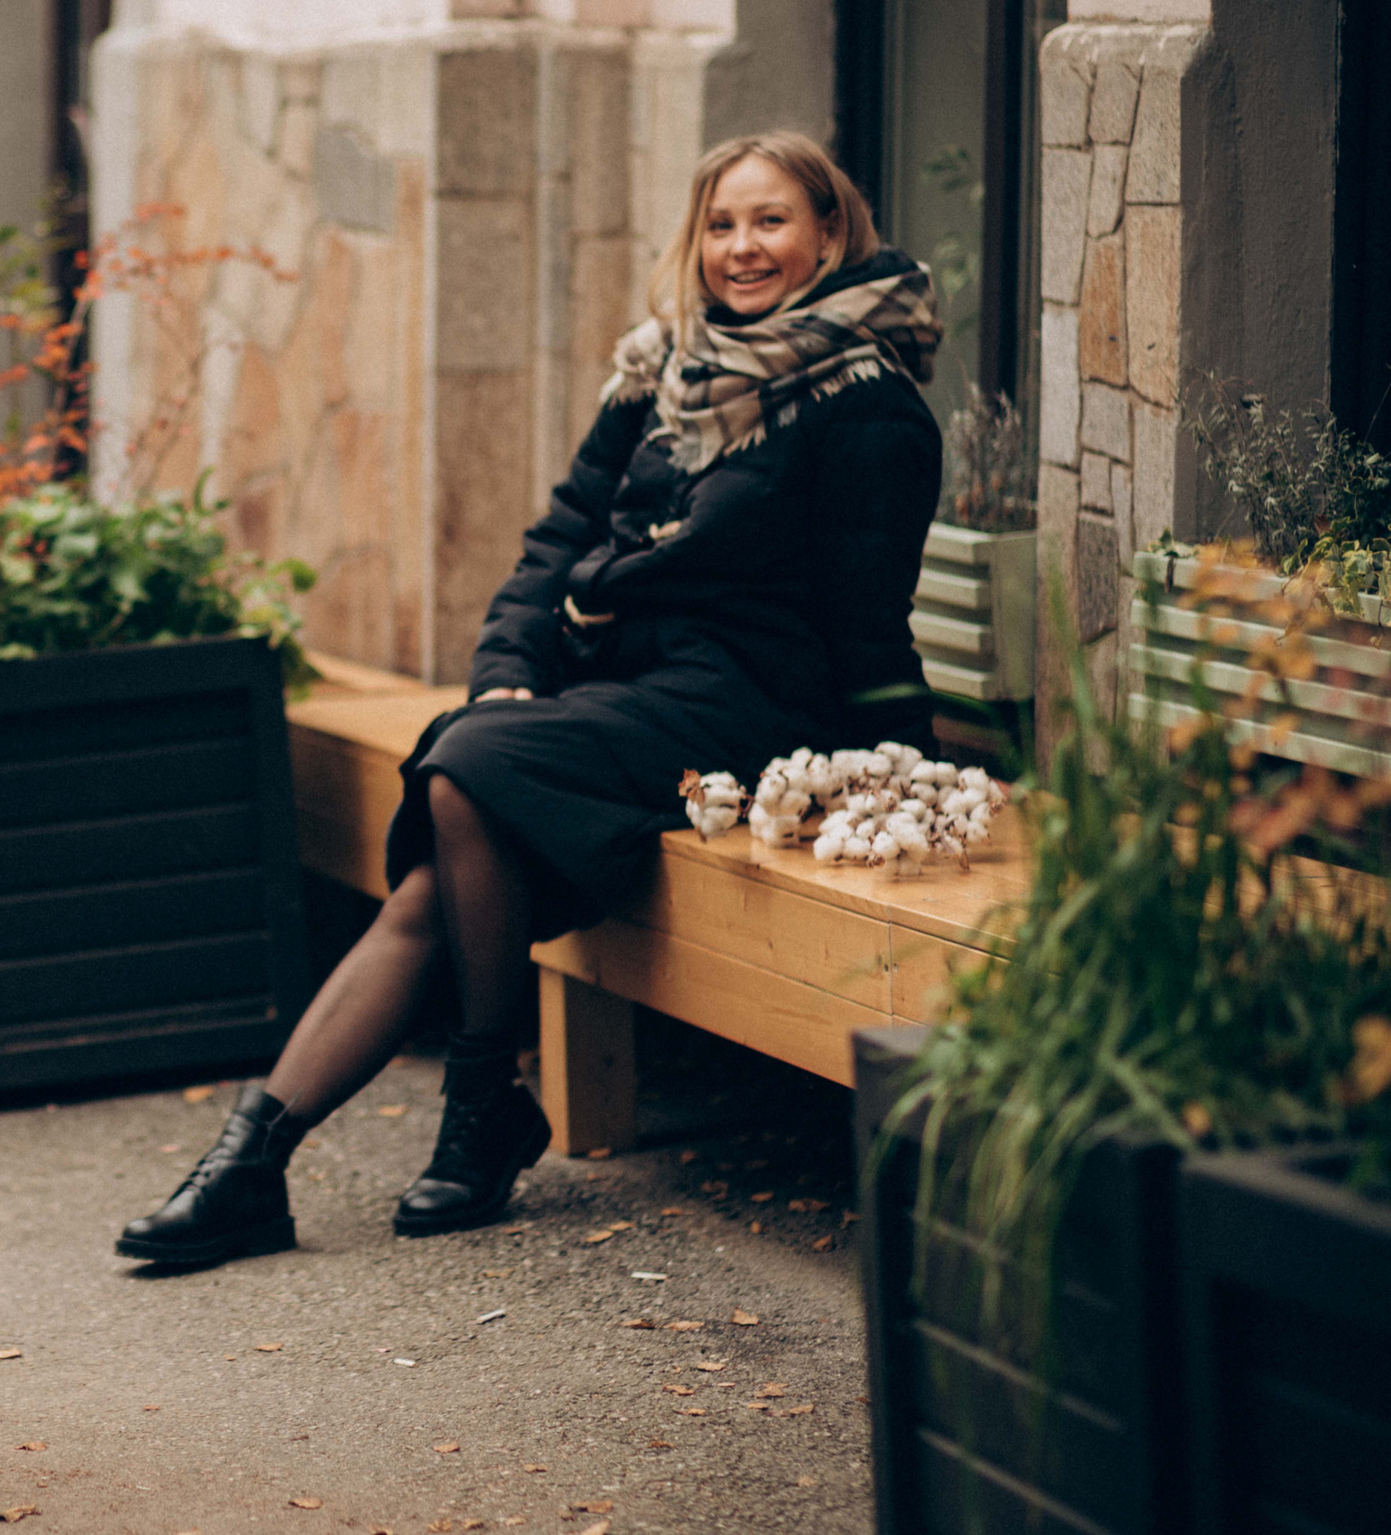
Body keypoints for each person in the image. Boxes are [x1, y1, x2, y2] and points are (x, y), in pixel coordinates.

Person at [115, 131, 946, 1266]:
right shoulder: (663, 371)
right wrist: (507, 668)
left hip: (754, 709)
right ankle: (260, 1162)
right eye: (720, 224)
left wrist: (901, 765)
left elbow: (867, 613)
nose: (741, 247)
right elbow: (559, 538)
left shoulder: (865, 400)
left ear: (829, 233)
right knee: (462, 800)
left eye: (770, 221)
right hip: (620, 693)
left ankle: (474, 1103)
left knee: (469, 766)